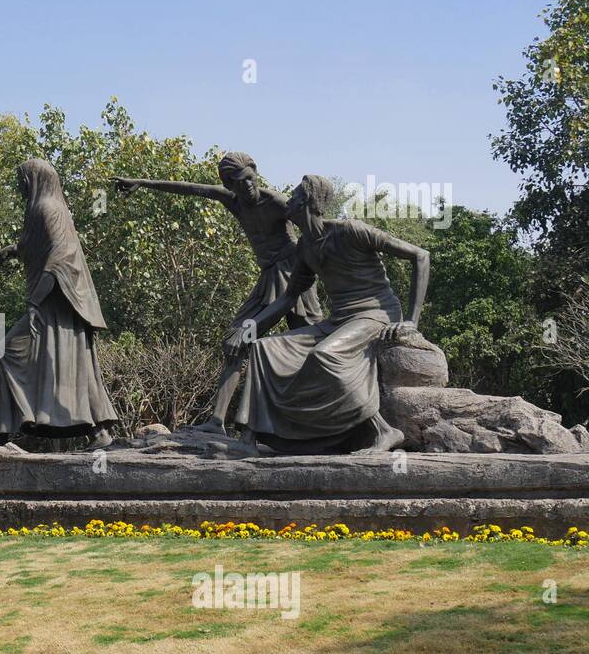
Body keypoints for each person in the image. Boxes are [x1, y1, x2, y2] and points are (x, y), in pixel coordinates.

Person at [114, 151, 321, 432]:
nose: (247, 186)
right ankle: (216, 422)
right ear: (230, 185)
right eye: (239, 182)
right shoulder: (232, 200)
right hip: (267, 278)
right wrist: (141, 182)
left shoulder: (276, 201)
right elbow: (189, 189)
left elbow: (315, 229)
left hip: (293, 274)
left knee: (312, 342)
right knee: (236, 340)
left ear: (256, 173)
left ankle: (325, 419)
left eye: (250, 179)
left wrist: (322, 265)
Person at [229, 173, 430, 453]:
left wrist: (412, 321)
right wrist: (247, 330)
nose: (289, 198)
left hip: (375, 315)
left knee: (325, 355)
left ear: (308, 202)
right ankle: (248, 439)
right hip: (338, 321)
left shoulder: (351, 230)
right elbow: (288, 298)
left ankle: (385, 430)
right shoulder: (305, 247)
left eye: (296, 194)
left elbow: (420, 256)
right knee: (264, 348)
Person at [0, 158, 117, 450]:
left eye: (23, 179)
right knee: (74, 364)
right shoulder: (39, 209)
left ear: (34, 179)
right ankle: (98, 433)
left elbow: (60, 257)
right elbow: (35, 245)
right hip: (52, 300)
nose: (19, 185)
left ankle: (2, 433)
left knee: (5, 352)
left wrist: (35, 303)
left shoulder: (48, 209)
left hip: (56, 301)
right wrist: (9, 251)